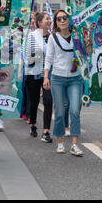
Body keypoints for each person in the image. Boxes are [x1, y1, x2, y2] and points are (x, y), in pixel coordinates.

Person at [43, 10, 84, 156]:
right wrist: (46, 77)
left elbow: (86, 53)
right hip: (57, 78)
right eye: (59, 19)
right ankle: (60, 143)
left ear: (69, 20)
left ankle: (74, 145)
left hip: (75, 78)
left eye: (65, 18)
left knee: (74, 110)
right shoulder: (53, 38)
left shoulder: (77, 36)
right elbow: (48, 58)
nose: (62, 20)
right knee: (59, 112)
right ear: (56, 22)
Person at [24, 13, 53, 142]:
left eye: (49, 19)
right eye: (47, 19)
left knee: (48, 100)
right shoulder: (31, 36)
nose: (50, 21)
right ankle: (33, 124)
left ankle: (46, 131)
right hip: (34, 72)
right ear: (39, 22)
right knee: (34, 100)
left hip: (48, 73)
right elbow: (27, 55)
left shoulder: (53, 36)